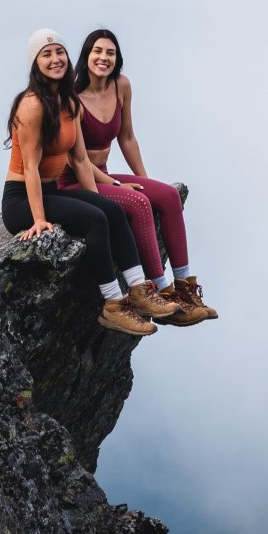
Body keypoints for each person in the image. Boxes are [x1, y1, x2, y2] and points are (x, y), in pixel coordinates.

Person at [2, 28, 180, 336]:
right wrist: (40, 219)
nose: (56, 59)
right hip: (21, 201)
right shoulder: (31, 106)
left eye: (60, 52)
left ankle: (140, 291)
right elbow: (30, 167)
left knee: (108, 209)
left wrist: (98, 195)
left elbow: (82, 160)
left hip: (52, 189)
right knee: (95, 220)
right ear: (35, 63)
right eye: (47, 54)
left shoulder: (69, 103)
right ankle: (113, 305)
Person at [60, 28, 218, 326]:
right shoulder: (72, 99)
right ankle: (160, 292)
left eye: (110, 52)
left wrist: (148, 183)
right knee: (137, 203)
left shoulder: (121, 86)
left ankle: (185, 288)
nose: (103, 58)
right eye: (97, 51)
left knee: (168, 196)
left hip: (104, 173)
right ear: (86, 56)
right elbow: (74, 157)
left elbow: (127, 136)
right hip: (75, 180)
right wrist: (116, 185)